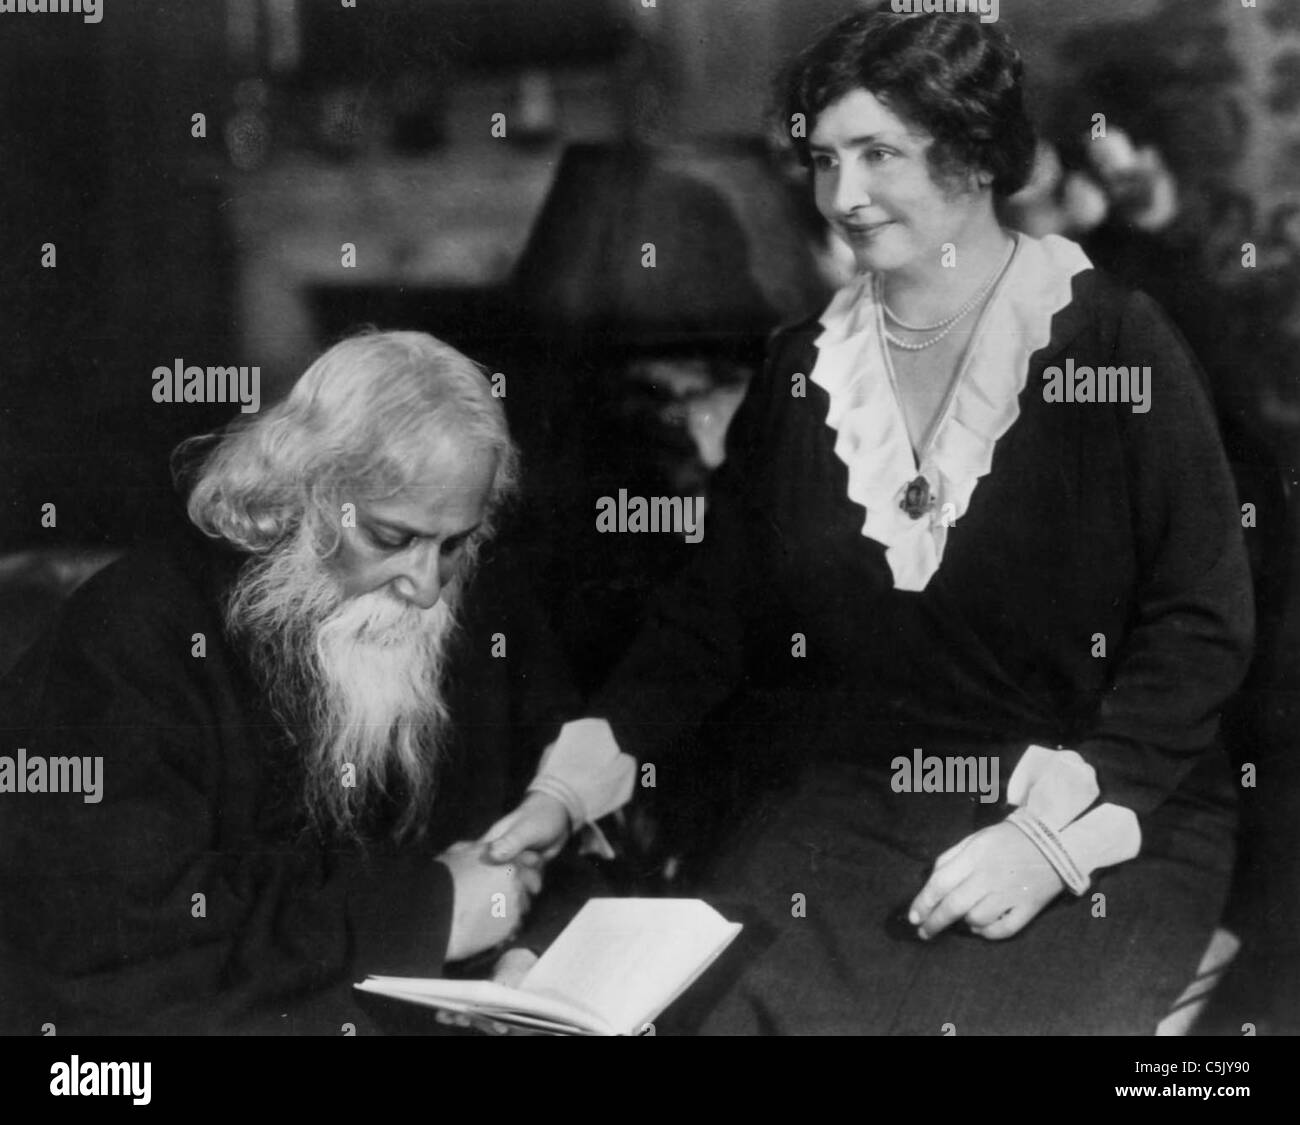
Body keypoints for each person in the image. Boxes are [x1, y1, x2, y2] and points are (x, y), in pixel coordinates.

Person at [484, 10, 1255, 1035]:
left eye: (877, 155)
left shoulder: (1116, 340)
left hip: (1110, 812)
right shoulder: (804, 371)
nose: (842, 197)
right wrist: (566, 794)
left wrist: (1055, 846)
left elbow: (1200, 622)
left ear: (975, 156)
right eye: (822, 160)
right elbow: (706, 623)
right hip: (853, 812)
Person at [0, 330, 613, 1034]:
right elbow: (126, 948)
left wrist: (528, 958)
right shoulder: (135, 637)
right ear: (300, 491)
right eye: (389, 538)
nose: (424, 586)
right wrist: (430, 913)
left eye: (454, 543)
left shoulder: (478, 613)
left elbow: (564, 841)